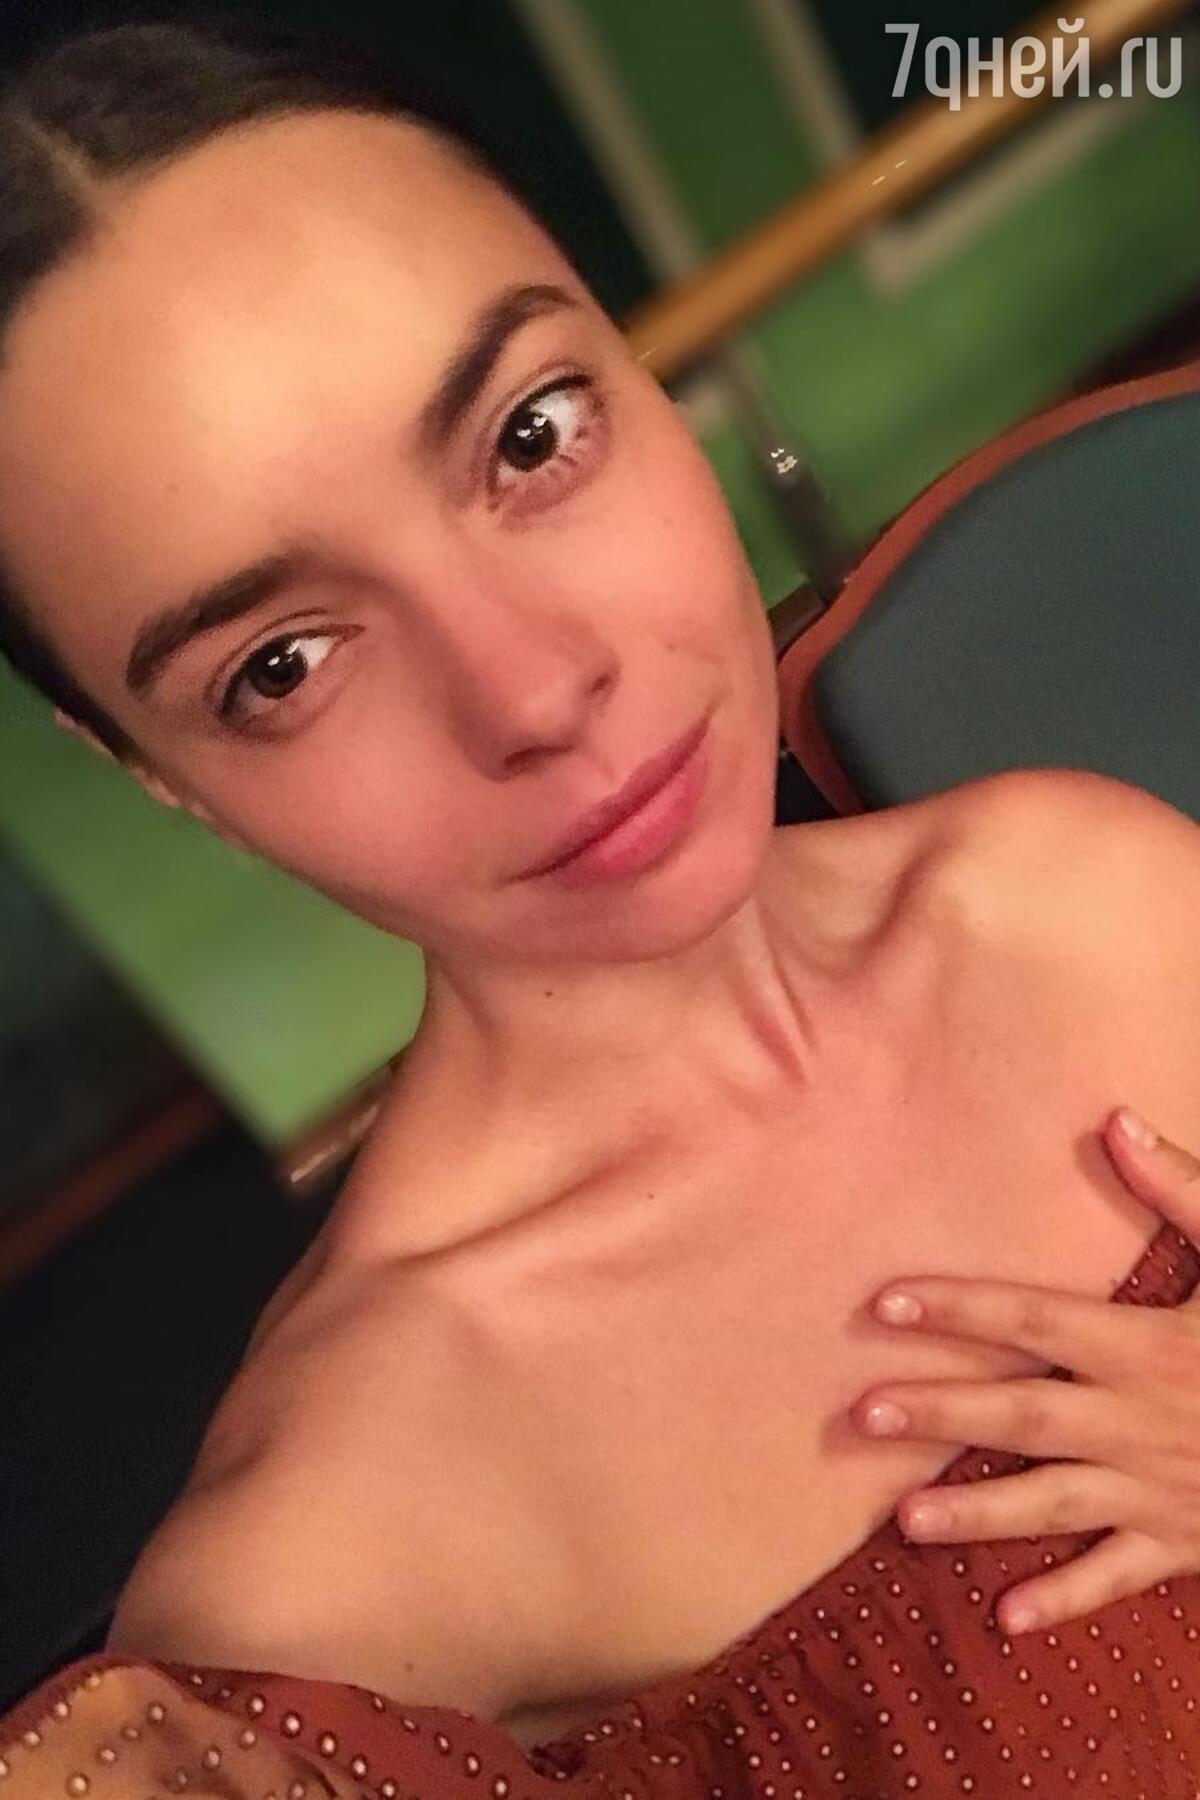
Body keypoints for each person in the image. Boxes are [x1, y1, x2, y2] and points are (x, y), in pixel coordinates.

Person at [0, 19, 1198, 1794]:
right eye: (284, 664)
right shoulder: (328, 1586)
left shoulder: (1082, 883)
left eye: (532, 433)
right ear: (161, 776)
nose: (534, 688)